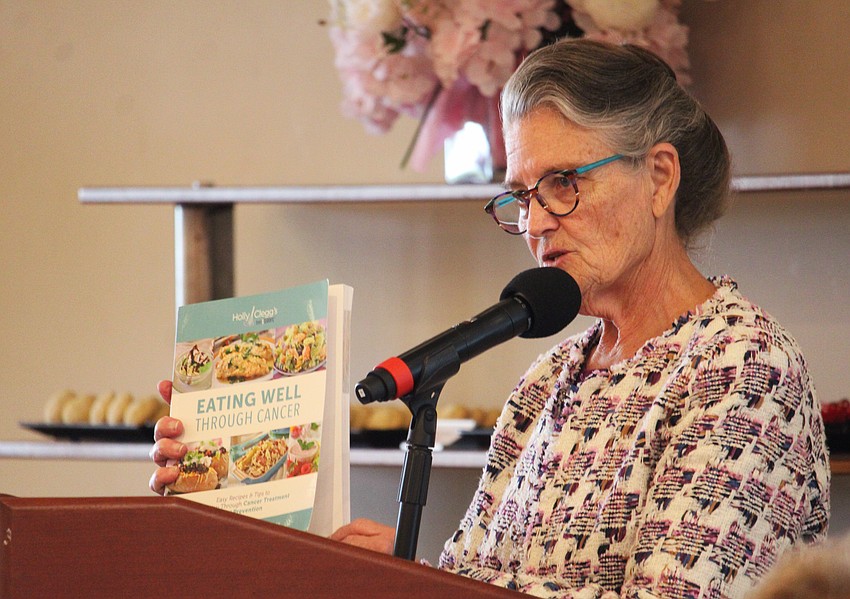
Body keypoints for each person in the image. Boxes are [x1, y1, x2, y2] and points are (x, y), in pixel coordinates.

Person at [150, 38, 830, 598]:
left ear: (658, 177)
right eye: (521, 196)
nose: (534, 222)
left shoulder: (744, 364)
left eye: (564, 183)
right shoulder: (547, 380)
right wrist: (222, 489)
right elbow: (479, 578)